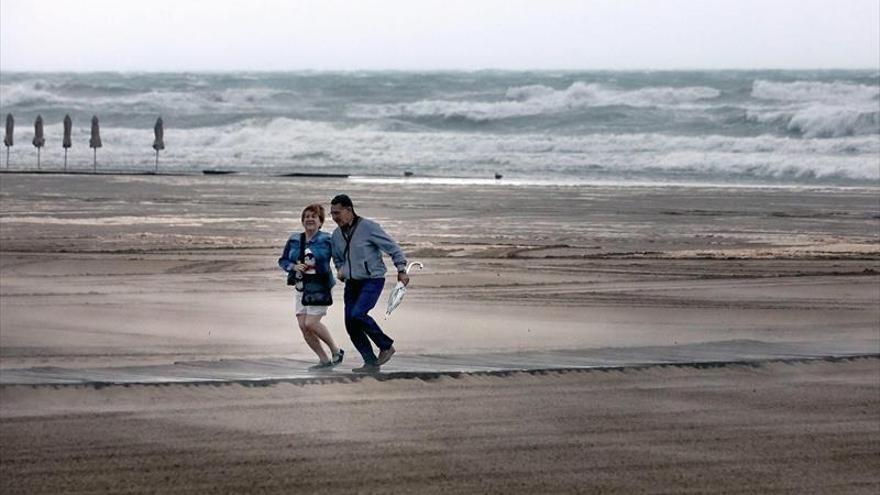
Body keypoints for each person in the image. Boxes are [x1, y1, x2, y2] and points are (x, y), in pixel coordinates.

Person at [330, 194, 409, 373]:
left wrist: (401, 269)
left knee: (358, 314)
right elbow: (337, 257)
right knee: (350, 324)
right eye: (332, 214)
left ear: (349, 210)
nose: (335, 217)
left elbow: (392, 247)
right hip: (352, 283)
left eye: (337, 213)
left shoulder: (368, 227)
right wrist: (340, 269)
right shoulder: (336, 235)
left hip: (372, 280)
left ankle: (386, 346)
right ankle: (370, 363)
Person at [278, 203, 344, 369]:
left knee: (311, 323)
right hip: (301, 286)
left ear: (320, 222)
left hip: (320, 286)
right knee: (303, 326)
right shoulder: (294, 239)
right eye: (306, 216)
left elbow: (339, 257)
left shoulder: (328, 239)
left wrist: (343, 271)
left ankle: (336, 351)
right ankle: (323, 359)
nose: (309, 219)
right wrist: (292, 267)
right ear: (302, 221)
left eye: (313, 216)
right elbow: (283, 260)